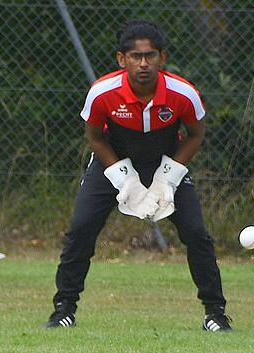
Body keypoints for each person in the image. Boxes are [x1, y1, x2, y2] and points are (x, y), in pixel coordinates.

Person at [43, 20, 232, 332]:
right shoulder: (102, 93)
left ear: (162, 58)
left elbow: (196, 135)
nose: (143, 64)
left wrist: (168, 177)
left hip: (166, 164)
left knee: (196, 233)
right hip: (112, 163)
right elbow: (95, 137)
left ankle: (216, 314)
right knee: (80, 229)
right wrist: (123, 177)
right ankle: (64, 309)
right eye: (135, 56)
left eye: (150, 56)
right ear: (122, 59)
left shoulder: (183, 94)